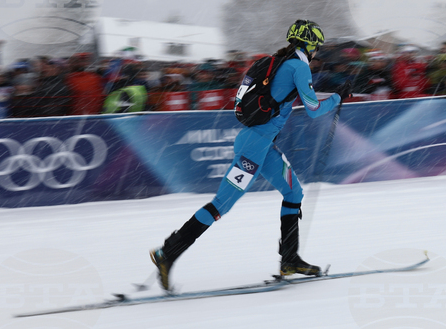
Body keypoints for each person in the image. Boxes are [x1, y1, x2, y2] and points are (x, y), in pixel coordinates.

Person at [149, 20, 349, 291]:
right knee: (222, 204)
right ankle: (167, 253)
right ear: (310, 45)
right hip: (255, 147)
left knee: (294, 193)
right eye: (317, 47)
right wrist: (338, 98)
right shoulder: (299, 66)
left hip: (261, 144)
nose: (317, 53)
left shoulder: (281, 61)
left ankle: (289, 259)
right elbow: (313, 109)